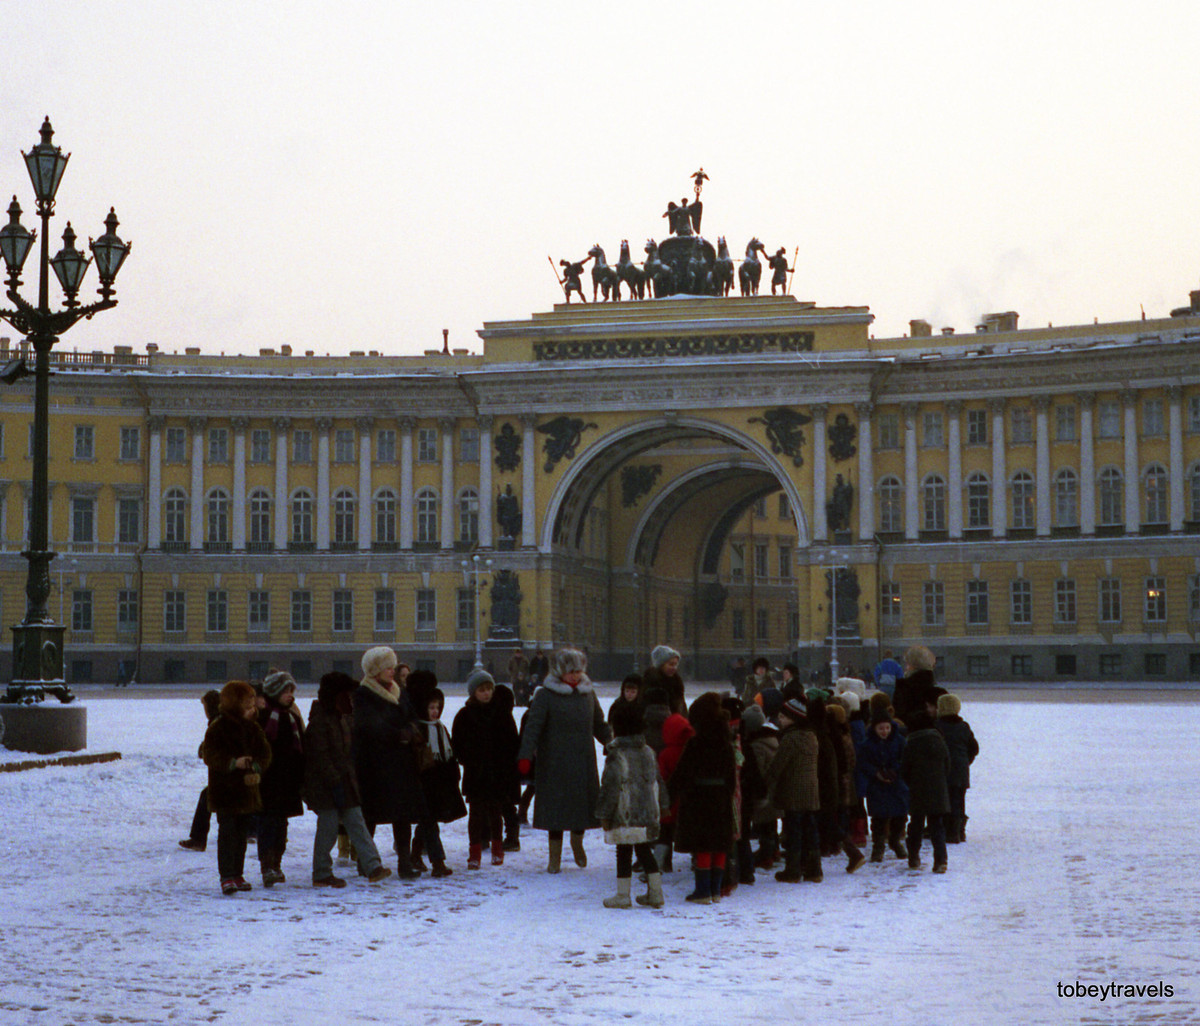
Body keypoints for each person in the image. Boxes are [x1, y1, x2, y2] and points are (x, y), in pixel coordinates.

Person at [517, 647, 612, 873]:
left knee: (581, 807)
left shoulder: (588, 694)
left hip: (582, 760)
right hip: (554, 761)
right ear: (559, 671)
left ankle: (577, 843)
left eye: (578, 671)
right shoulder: (545, 695)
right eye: (570, 671)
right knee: (556, 810)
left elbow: (599, 723)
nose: (575, 676)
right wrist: (525, 755)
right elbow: (533, 728)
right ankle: (555, 857)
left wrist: (610, 741)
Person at [304, 671, 391, 887]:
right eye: (347, 696)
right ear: (336, 697)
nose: (351, 701)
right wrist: (335, 782)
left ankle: (373, 866)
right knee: (328, 828)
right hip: (326, 786)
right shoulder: (320, 722)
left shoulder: (340, 718)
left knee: (357, 824)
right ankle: (321, 872)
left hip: (344, 783)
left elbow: (347, 752)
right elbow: (320, 757)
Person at [353, 646, 429, 880]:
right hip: (374, 764)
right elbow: (369, 725)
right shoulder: (363, 694)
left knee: (403, 814)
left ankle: (404, 863)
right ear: (375, 670)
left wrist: (411, 730)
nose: (392, 670)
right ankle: (365, 862)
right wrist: (398, 734)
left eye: (392, 665)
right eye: (387, 666)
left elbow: (413, 716)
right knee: (371, 815)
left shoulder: (399, 691)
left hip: (402, 764)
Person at [595, 701, 671, 909]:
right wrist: (664, 804)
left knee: (623, 851)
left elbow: (610, 786)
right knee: (644, 851)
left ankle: (622, 895)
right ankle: (656, 892)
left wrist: (604, 814)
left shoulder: (616, 754)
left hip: (624, 812)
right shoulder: (647, 751)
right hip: (647, 812)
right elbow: (659, 780)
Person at [203, 680, 272, 895]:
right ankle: (227, 875)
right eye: (247, 700)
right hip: (225, 790)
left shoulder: (252, 726)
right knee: (227, 834)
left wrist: (257, 765)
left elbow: (265, 752)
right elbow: (210, 754)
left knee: (241, 834)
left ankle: (237, 874)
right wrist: (234, 763)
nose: (253, 703)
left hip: (246, 790)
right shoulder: (219, 725)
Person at [671, 693, 737, 905]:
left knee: (703, 845)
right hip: (721, 797)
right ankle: (716, 889)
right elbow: (731, 776)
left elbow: (682, 773)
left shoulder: (695, 743)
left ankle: (702, 890)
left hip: (699, 798)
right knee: (719, 843)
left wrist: (669, 795)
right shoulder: (726, 744)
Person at [453, 669, 520, 869]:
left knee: (495, 812)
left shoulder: (501, 713)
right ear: (473, 692)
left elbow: (511, 741)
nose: (487, 693)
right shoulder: (464, 715)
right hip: (476, 773)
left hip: (498, 772)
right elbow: (457, 744)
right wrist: (470, 759)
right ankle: (474, 852)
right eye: (482, 690)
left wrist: (507, 763)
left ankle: (497, 849)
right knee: (476, 814)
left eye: (489, 689)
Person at [257, 669, 306, 887]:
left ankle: (277, 863)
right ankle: (267, 866)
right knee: (268, 822)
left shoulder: (292, 716)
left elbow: (301, 746)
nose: (290, 695)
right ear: (275, 691)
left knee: (281, 825)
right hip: (268, 780)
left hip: (288, 780)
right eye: (286, 691)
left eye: (292, 690)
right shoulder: (264, 716)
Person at [765, 697, 822, 883]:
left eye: (783, 716)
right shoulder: (811, 736)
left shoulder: (790, 738)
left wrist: (765, 782)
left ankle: (793, 869)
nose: (779, 719)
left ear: (793, 718)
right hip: (811, 790)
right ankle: (814, 869)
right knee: (811, 829)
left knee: (794, 831)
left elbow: (777, 765)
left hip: (793, 791)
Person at [900, 709, 951, 873]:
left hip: (917, 789)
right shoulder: (939, 740)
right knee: (937, 826)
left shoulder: (911, 742)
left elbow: (905, 768)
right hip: (938, 789)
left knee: (916, 825)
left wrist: (910, 783)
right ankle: (941, 861)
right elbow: (947, 764)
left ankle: (913, 857)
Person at [856, 706, 909, 863]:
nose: (884, 731)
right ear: (874, 728)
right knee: (879, 819)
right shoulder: (867, 744)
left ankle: (894, 841)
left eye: (887, 727)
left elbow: (905, 759)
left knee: (900, 815)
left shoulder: (899, 741)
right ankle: (878, 846)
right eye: (881, 728)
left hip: (897, 785)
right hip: (877, 786)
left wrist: (895, 771)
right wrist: (876, 773)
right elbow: (862, 763)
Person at [179, 689, 221, 852]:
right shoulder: (217, 720)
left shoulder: (217, 722)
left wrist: (204, 750)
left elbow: (210, 748)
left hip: (223, 775)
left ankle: (198, 839)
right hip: (222, 774)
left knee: (208, 798)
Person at [935, 693, 979, 844]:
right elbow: (974, 747)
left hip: (942, 769)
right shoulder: (963, 726)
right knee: (959, 800)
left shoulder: (937, 726)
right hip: (960, 769)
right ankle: (960, 830)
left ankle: (949, 830)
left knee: (944, 801)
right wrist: (966, 760)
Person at [893, 644, 938, 727]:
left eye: (907, 664)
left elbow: (899, 715)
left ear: (914, 665)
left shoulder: (904, 687)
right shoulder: (935, 690)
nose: (906, 668)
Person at [642, 645, 686, 716]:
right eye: (671, 664)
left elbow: (682, 709)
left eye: (676, 664)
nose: (674, 668)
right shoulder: (651, 683)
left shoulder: (677, 683)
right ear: (661, 665)